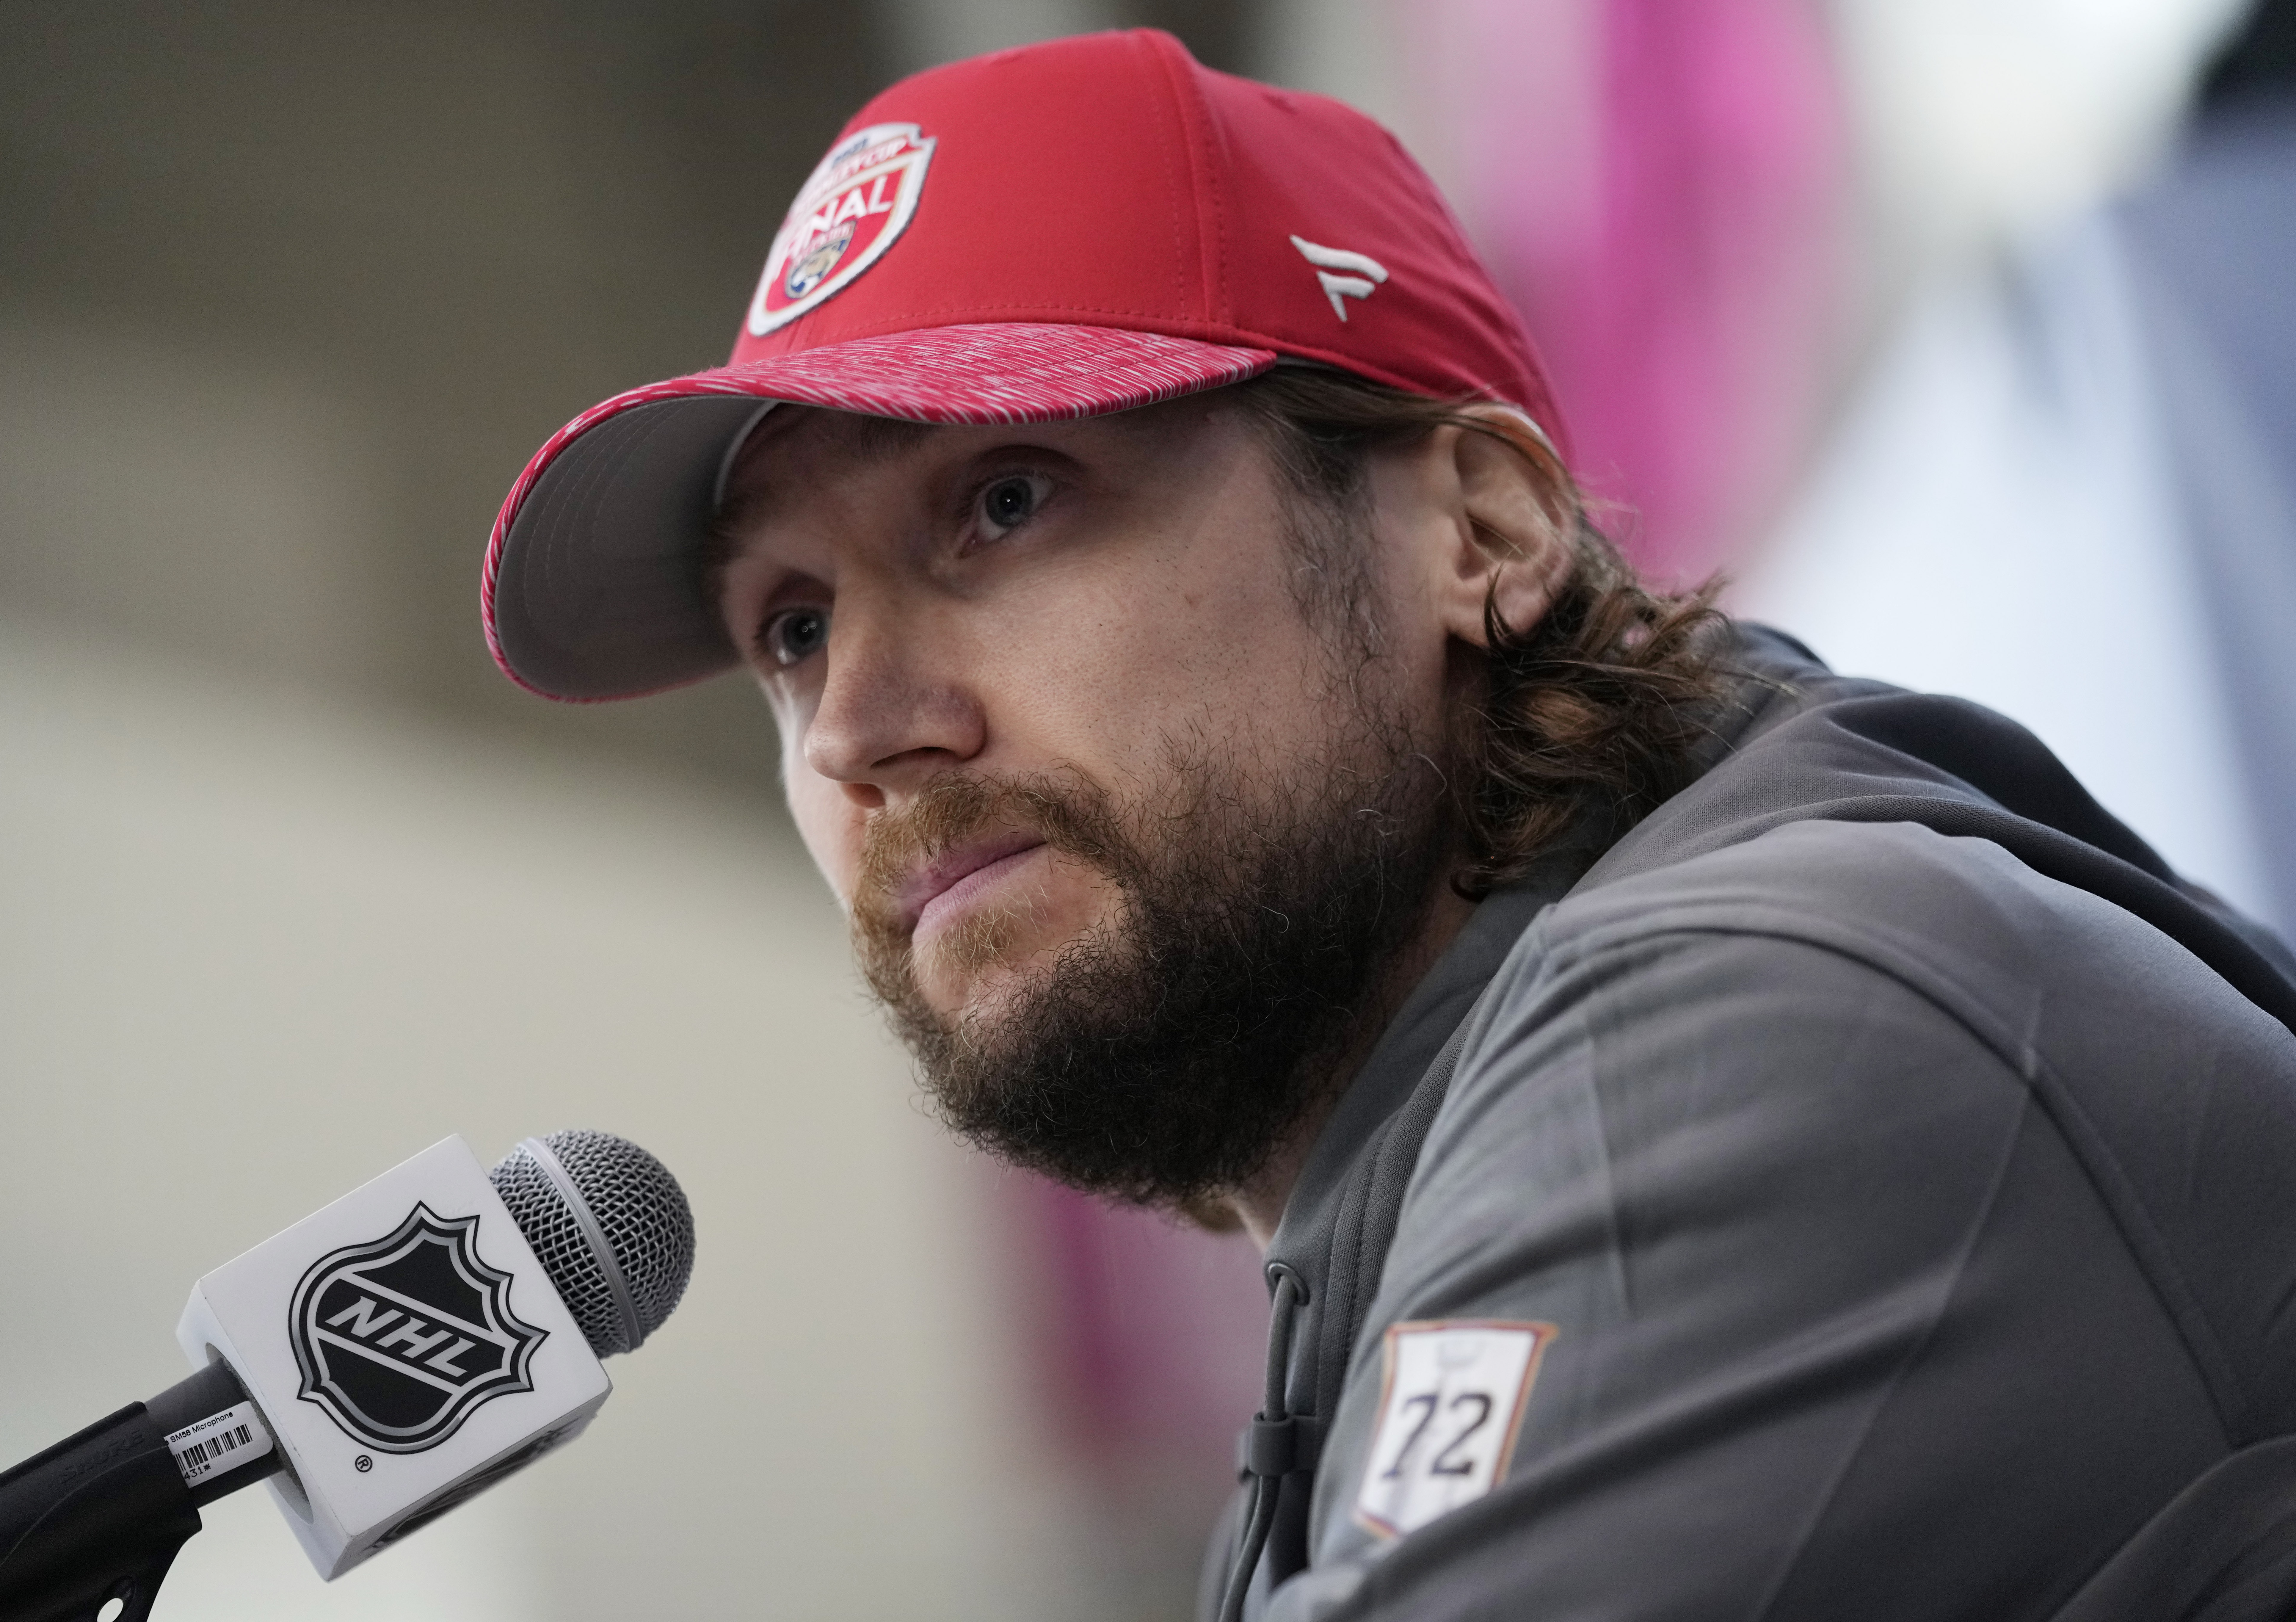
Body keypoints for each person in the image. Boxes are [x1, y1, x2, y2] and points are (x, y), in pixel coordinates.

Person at [481, 29, 2296, 1622]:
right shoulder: (1391, 1257)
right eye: (790, 629)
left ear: (1481, 530)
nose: (862, 725)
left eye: (1003, 502)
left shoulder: (1739, 1024)